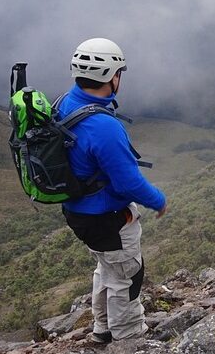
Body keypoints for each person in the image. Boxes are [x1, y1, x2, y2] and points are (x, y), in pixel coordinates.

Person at [58, 38, 167, 344]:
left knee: (107, 268)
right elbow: (128, 183)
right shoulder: (103, 127)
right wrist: (159, 200)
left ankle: (103, 329)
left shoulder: (66, 104)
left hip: (79, 213)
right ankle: (128, 337)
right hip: (108, 217)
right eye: (119, 72)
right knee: (127, 276)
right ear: (112, 76)